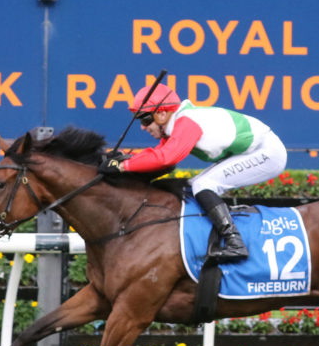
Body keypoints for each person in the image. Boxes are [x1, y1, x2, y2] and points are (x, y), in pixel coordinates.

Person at [99, 83, 288, 262]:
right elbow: (158, 156)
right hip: (251, 151)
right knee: (192, 188)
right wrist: (124, 159)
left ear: (162, 114)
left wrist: (123, 166)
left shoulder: (187, 122)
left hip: (267, 153)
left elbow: (166, 158)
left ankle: (235, 242)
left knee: (203, 185)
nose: (143, 126)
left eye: (145, 119)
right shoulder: (176, 123)